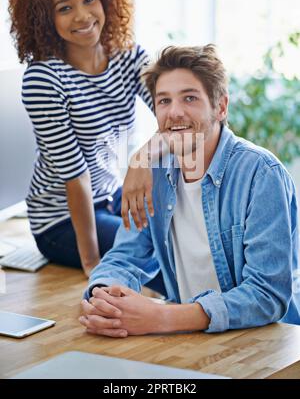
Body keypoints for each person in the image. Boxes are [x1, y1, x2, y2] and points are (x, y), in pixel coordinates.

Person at [80, 44, 300, 337]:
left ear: (221, 107)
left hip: (263, 343)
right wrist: (104, 297)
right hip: (189, 339)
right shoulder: (155, 175)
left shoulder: (260, 174)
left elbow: (266, 295)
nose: (174, 112)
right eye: (164, 101)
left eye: (190, 98)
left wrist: (162, 316)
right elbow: (125, 256)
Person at [8, 0, 158, 279]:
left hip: (110, 195)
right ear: (46, 19)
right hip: (61, 222)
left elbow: (172, 115)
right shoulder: (44, 80)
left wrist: (144, 159)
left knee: (183, 236)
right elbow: (75, 176)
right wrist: (91, 261)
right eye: (64, 8)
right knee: (152, 252)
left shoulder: (128, 55)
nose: (82, 16)